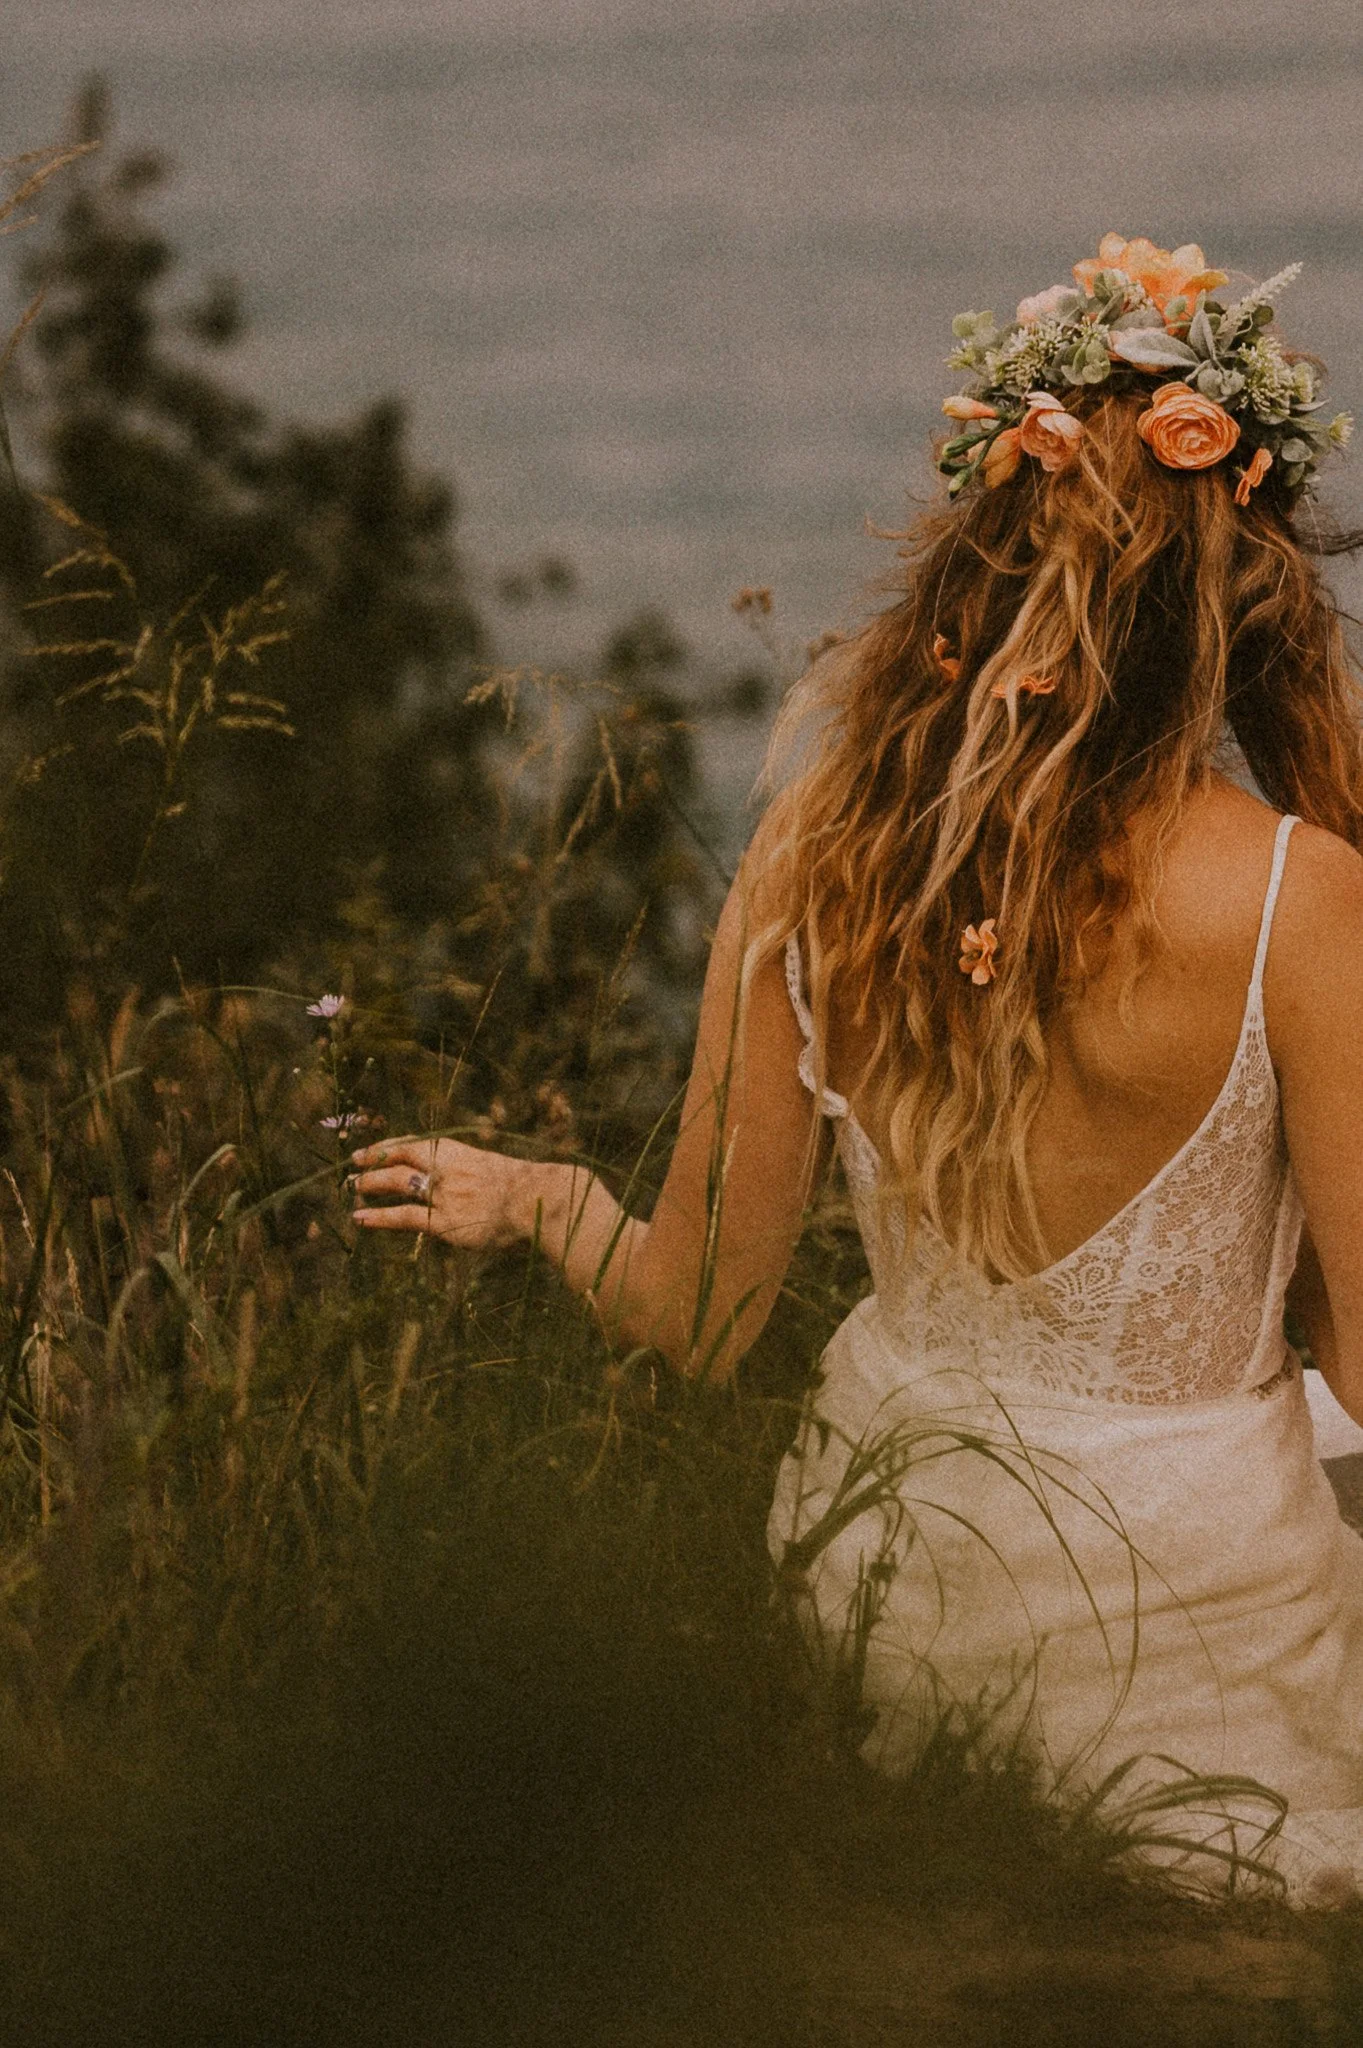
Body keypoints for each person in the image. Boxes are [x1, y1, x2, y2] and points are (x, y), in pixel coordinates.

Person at [351, 234, 1363, 1905]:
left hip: (899, 1575)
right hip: (1198, 1619)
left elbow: (699, 1317)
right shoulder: (1298, 901)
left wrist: (538, 1200)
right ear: (1245, 597)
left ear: (974, 563)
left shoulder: (817, 856)